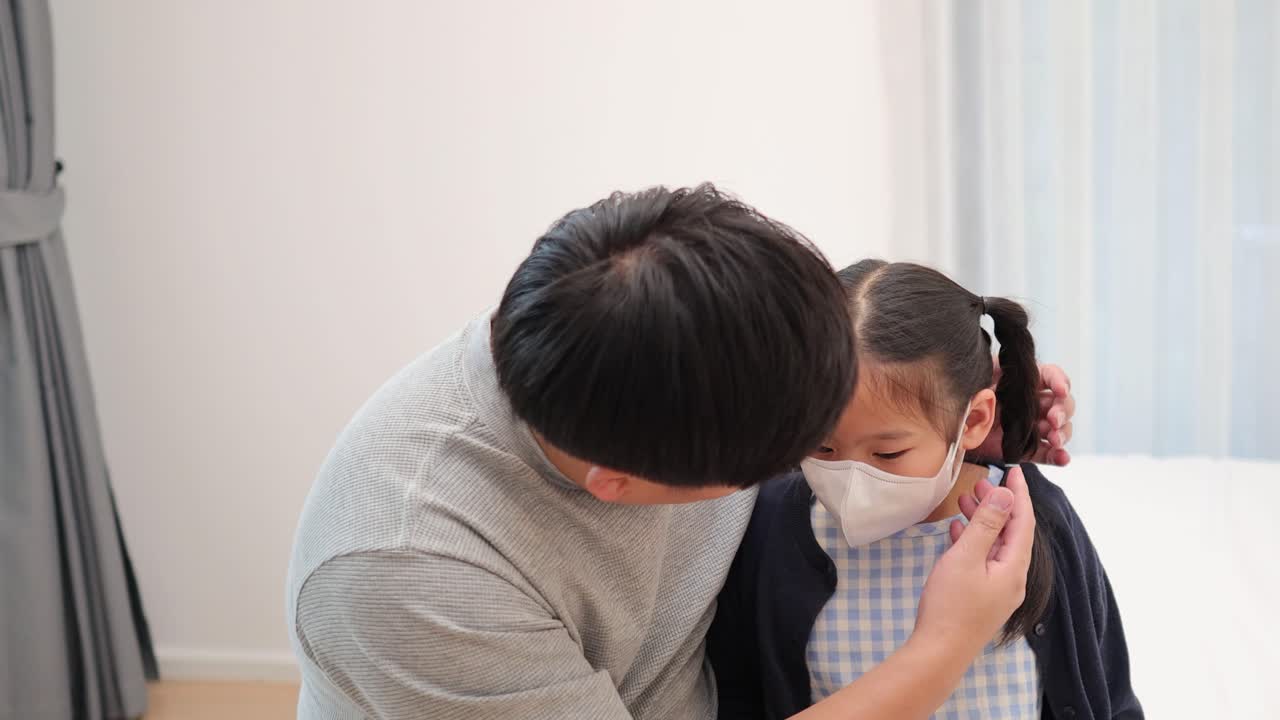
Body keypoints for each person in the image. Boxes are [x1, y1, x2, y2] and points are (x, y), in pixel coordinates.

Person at [286, 187, 1076, 720]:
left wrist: (958, 404)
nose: (832, 465)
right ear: (620, 485)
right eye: (810, 445)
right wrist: (942, 648)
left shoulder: (661, 323)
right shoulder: (410, 572)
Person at [708, 259, 1138, 720]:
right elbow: (736, 694)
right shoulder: (770, 528)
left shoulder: (1036, 520)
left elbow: (1107, 694)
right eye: (822, 447)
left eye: (888, 454)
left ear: (973, 420)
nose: (852, 479)